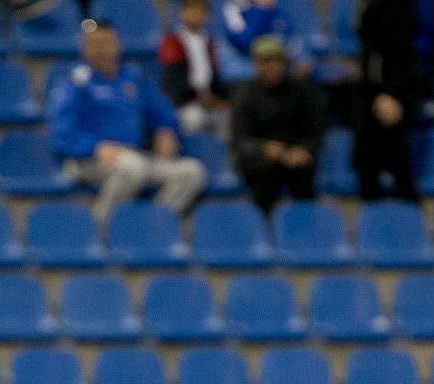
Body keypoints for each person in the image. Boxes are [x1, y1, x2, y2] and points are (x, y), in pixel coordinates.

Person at [48, 20, 206, 224]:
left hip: (134, 155)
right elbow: (61, 131)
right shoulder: (75, 81)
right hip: (88, 160)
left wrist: (164, 129)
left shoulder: (133, 77)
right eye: (94, 44)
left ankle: (152, 226)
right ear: (84, 49)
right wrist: (95, 147)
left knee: (191, 172)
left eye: (105, 43)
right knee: (132, 167)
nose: (100, 49)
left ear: (117, 45)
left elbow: (161, 110)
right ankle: (101, 229)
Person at [232, 34, 325, 214]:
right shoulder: (245, 94)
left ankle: (304, 229)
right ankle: (263, 230)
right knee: (265, 172)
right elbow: (241, 140)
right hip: (260, 158)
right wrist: (264, 148)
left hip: (295, 153)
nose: (273, 66)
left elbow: (316, 130)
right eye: (266, 61)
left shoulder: (302, 90)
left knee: (302, 172)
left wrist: (304, 149)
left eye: (278, 60)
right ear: (256, 64)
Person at [353, 0, 422, 202]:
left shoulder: (397, 7)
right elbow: (368, 51)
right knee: (367, 165)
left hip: (390, 96)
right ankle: (372, 224)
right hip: (371, 95)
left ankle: (412, 222)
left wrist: (391, 94)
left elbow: (400, 54)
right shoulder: (369, 6)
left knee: (398, 166)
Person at [158, 0, 230, 139]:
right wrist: (196, 97)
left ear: (207, 15)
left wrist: (217, 99)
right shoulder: (172, 41)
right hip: (185, 101)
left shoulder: (208, 41)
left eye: (199, 11)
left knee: (228, 117)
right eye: (191, 10)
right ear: (182, 13)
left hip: (208, 100)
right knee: (195, 119)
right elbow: (174, 78)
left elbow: (214, 76)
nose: (195, 15)